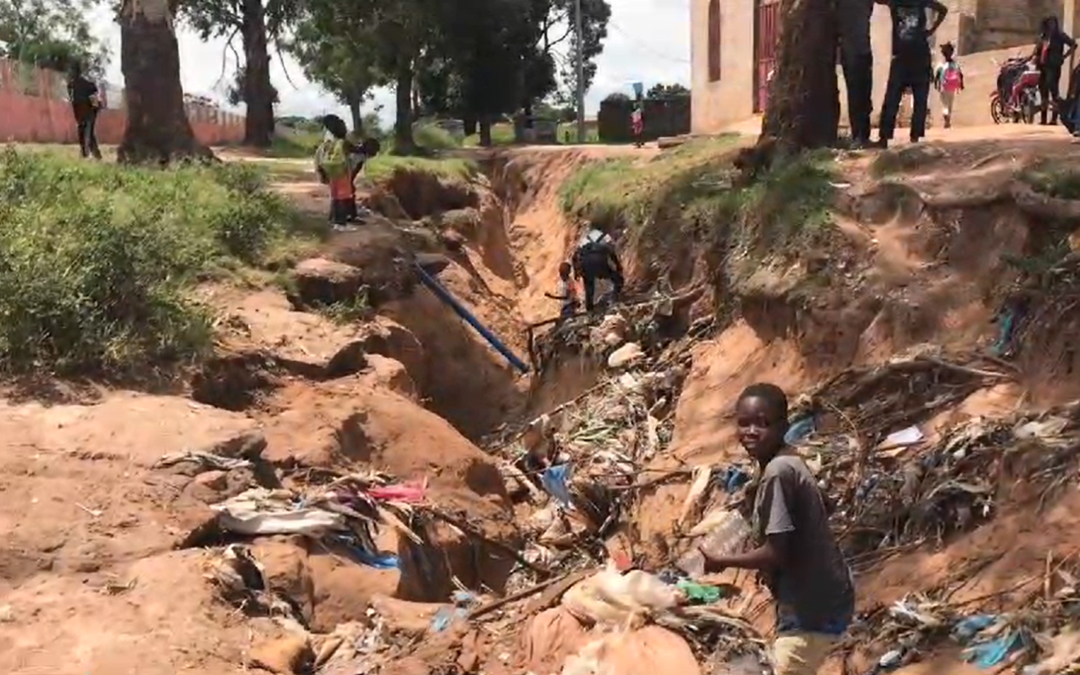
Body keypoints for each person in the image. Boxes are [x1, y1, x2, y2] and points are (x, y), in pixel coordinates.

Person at [699, 383, 854, 675]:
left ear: (783, 425)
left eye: (763, 423)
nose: (751, 431)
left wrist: (722, 561)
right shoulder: (788, 459)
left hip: (812, 609)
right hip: (827, 596)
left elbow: (775, 554)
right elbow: (825, 504)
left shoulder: (777, 472)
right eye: (744, 423)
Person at [875, 0, 948, 148]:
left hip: (920, 56)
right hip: (900, 57)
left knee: (920, 98)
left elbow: (943, 9)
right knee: (892, 97)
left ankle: (915, 137)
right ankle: (884, 137)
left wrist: (932, 30)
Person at [314, 114, 364, 228]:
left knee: (335, 197)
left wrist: (321, 171)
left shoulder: (328, 141)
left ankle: (334, 221)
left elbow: (320, 155)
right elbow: (357, 150)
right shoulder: (343, 143)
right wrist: (362, 147)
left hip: (331, 171)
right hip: (342, 172)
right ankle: (341, 223)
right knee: (343, 196)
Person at [837, 0, 876, 147]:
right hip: (850, 52)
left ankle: (864, 136)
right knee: (855, 95)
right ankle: (857, 136)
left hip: (864, 50)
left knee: (865, 95)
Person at [1032, 16, 1076, 125]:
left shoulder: (1060, 36)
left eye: (1053, 23)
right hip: (1042, 67)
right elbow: (1037, 50)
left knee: (1053, 91)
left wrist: (1064, 57)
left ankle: (1054, 119)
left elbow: (1073, 45)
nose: (1051, 26)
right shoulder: (1043, 37)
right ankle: (1043, 119)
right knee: (1043, 92)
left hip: (1053, 67)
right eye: (1049, 24)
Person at [572, 227, 624, 312]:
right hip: (599, 261)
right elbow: (611, 252)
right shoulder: (606, 237)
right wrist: (618, 266)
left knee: (589, 288)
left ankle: (589, 310)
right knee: (618, 279)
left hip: (585, 263)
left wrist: (576, 272)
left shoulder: (585, 239)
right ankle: (614, 299)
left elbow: (575, 256)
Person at [67, 63, 102, 160]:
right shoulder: (71, 86)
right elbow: (74, 101)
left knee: (87, 134)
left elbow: (93, 99)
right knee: (85, 133)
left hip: (88, 113)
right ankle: (92, 154)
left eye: (71, 71)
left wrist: (94, 110)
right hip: (82, 114)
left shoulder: (84, 85)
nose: (69, 73)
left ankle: (88, 154)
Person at [933, 42, 964, 129]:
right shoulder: (954, 64)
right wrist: (961, 84)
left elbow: (937, 76)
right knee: (950, 103)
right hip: (952, 86)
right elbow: (960, 74)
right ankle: (948, 121)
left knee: (945, 104)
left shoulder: (941, 65)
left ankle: (946, 117)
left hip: (944, 86)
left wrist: (936, 85)